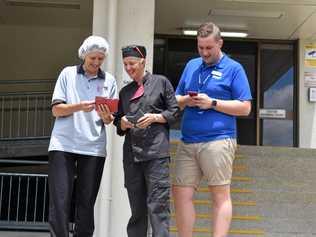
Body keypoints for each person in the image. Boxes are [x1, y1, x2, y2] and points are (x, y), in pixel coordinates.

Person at [172, 22, 252, 237]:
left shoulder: (234, 68)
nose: (205, 53)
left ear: (220, 43)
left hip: (218, 140)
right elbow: (175, 100)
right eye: (201, 48)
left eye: (209, 48)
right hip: (188, 141)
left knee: (219, 196)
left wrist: (213, 103)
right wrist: (185, 101)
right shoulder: (191, 65)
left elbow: (245, 107)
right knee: (180, 194)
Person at [48, 35, 118, 237]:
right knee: (60, 199)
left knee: (86, 202)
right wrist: (79, 106)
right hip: (63, 145)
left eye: (100, 59)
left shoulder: (109, 80)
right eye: (92, 59)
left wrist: (106, 116)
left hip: (94, 147)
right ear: (84, 56)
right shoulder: (67, 74)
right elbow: (56, 110)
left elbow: (109, 120)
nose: (96, 63)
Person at [113, 45, 179, 237]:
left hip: (156, 155)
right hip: (132, 157)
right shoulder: (125, 92)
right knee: (137, 211)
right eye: (125, 64)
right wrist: (122, 123)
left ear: (143, 62)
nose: (128, 67)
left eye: (132, 63)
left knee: (158, 208)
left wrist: (155, 118)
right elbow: (118, 121)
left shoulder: (161, 82)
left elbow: (174, 111)